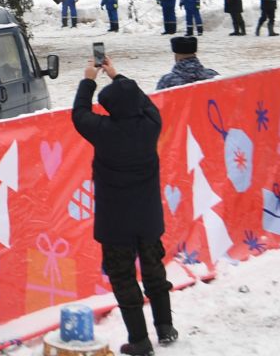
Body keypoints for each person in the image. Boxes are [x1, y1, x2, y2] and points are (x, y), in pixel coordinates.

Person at [71, 55, 175, 353]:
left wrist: (89, 80)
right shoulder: (151, 123)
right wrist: (117, 76)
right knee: (155, 269)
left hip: (116, 221)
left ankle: (140, 340)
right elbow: (142, 101)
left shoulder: (104, 131)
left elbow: (79, 113)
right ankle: (165, 326)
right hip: (148, 216)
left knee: (123, 277)